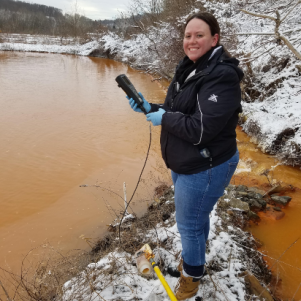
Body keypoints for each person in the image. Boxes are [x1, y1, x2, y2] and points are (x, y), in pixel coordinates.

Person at [128, 12, 243, 300]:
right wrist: (149, 105)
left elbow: (201, 128)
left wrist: (163, 119)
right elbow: (179, 111)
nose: (191, 41)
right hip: (187, 162)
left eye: (199, 35)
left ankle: (190, 280)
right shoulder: (190, 68)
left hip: (206, 164)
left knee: (189, 225)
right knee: (196, 218)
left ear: (214, 39)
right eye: (188, 35)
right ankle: (196, 259)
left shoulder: (222, 76)